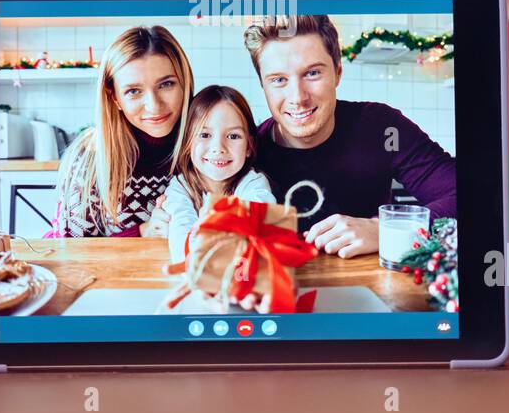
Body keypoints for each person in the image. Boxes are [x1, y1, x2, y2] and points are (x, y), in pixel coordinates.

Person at [243, 15, 457, 258]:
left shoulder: (382, 128)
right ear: (263, 85)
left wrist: (385, 230)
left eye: (312, 73)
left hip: (374, 292)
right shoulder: (248, 151)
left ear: (337, 73)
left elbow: (466, 194)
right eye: (279, 80)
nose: (298, 98)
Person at [50, 25, 193, 238]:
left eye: (166, 84)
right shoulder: (89, 156)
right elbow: (71, 251)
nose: (154, 106)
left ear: (185, 83)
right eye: (134, 91)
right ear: (115, 97)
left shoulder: (207, 145)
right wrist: (142, 233)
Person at [163, 85, 275, 261]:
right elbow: (179, 234)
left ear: (249, 146)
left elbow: (259, 217)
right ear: (188, 141)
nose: (218, 148)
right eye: (205, 135)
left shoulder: (253, 183)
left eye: (233, 136)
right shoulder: (180, 187)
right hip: (196, 276)